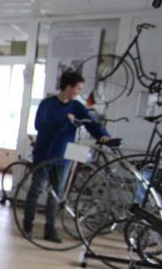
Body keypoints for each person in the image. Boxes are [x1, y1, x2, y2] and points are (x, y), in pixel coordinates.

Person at [22, 71, 110, 243]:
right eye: (78, 88)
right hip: (44, 155)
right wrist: (64, 121)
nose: (79, 92)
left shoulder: (76, 106)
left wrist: (103, 135)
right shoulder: (47, 104)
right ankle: (27, 226)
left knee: (56, 195)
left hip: (63, 158)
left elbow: (90, 123)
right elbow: (40, 125)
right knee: (35, 191)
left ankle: (50, 230)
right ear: (68, 87)